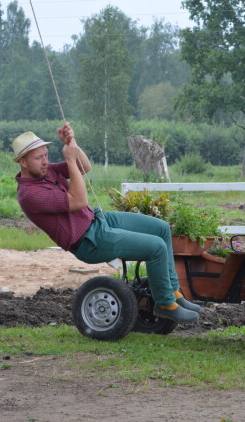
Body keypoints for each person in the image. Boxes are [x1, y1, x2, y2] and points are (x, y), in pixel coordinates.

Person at [12, 123, 200, 323]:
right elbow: (79, 201)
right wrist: (70, 158)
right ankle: (165, 304)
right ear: (23, 162)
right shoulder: (29, 195)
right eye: (38, 157)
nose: (44, 161)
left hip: (98, 221)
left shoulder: (46, 171)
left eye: (46, 155)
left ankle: (174, 293)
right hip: (89, 241)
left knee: (161, 229)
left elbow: (84, 167)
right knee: (156, 248)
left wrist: (71, 143)